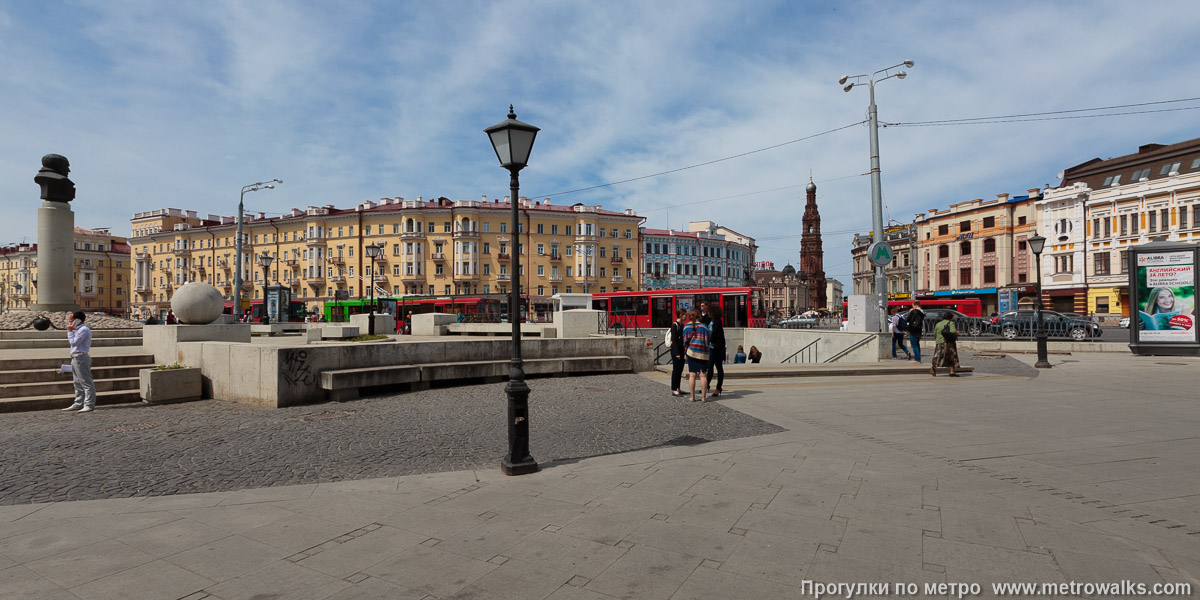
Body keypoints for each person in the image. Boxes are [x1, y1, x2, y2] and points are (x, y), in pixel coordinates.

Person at [61, 311, 96, 413]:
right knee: (77, 382)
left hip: (81, 357)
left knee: (86, 382)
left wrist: (69, 332)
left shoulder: (83, 330)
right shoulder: (78, 330)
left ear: (77, 320)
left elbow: (74, 342)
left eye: (71, 320)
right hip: (75, 358)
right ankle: (78, 403)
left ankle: (89, 404)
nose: (69, 322)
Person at [681, 308, 711, 402]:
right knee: (703, 375)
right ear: (699, 316)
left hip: (691, 353)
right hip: (702, 353)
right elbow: (707, 340)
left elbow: (684, 341)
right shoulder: (704, 326)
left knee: (692, 375)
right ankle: (703, 397)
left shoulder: (686, 327)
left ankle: (692, 397)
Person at [705, 303, 726, 397]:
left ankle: (718, 387)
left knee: (717, 368)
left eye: (709, 312)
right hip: (712, 347)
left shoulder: (717, 322)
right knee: (710, 367)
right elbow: (703, 320)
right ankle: (706, 385)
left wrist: (707, 341)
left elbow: (715, 335)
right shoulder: (712, 320)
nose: (708, 313)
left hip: (716, 348)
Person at [931, 311, 960, 377]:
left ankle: (934, 367)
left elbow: (935, 334)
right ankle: (952, 372)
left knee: (938, 355)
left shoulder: (938, 324)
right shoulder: (951, 323)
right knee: (951, 356)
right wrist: (957, 332)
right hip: (948, 343)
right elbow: (953, 331)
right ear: (950, 318)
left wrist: (938, 340)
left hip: (939, 342)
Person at [667, 309, 687, 397]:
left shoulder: (681, 325)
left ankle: (678, 387)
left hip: (681, 350)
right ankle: (674, 389)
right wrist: (677, 353)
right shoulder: (674, 325)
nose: (685, 316)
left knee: (680, 369)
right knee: (676, 370)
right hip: (676, 351)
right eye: (684, 315)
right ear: (680, 315)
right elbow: (674, 340)